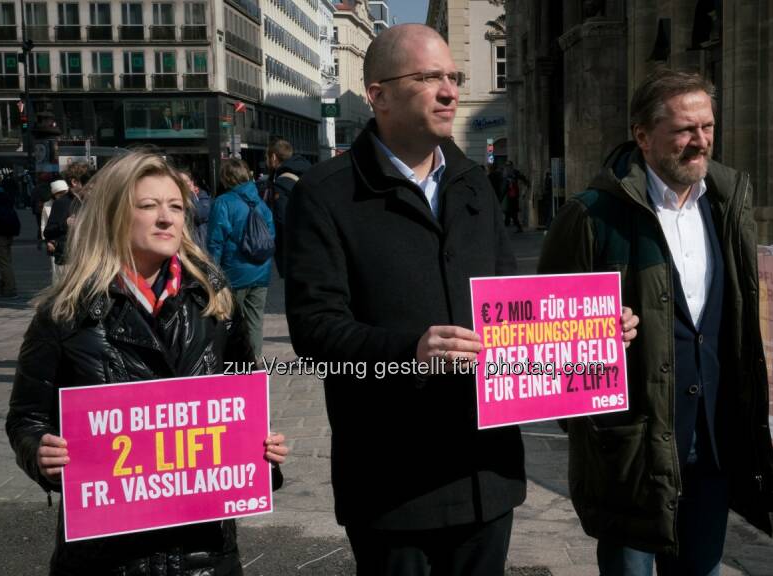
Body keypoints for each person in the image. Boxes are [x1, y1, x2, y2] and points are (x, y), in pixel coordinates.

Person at [285, 24, 639, 576]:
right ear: (377, 94)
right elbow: (314, 333)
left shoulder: (474, 182)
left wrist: (586, 333)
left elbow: (512, 310)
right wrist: (410, 350)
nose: (449, 90)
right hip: (392, 484)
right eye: (429, 77)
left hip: (485, 474)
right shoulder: (326, 193)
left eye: (453, 76)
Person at [538, 68, 773, 575]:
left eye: (708, 127)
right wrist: (591, 339)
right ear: (643, 136)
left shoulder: (727, 204)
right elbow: (544, 345)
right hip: (632, 451)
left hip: (713, 438)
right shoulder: (592, 216)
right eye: (684, 130)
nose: (700, 142)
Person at [5, 151, 288, 575]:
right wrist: (40, 453)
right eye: (148, 206)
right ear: (115, 213)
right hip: (107, 558)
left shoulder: (215, 304)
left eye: (175, 207)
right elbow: (26, 418)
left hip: (203, 555)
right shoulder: (65, 313)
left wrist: (263, 452)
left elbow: (243, 403)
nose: (166, 219)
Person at [206, 159, 273, 365]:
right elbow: (270, 236)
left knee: (228, 322)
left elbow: (216, 241)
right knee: (255, 320)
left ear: (226, 178)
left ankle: (233, 363)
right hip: (260, 272)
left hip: (233, 274)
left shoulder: (223, 202)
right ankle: (255, 361)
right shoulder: (260, 202)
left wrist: (211, 272)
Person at [265, 138, 311, 278]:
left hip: (294, 252)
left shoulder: (281, 183)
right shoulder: (306, 171)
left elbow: (282, 220)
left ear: (273, 157)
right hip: (310, 243)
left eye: (267, 157)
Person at [0, 186, 21, 297]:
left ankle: (10, 289)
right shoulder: (8, 206)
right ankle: (4, 287)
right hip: (8, 236)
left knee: (4, 264)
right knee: (5, 262)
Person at [180, 171, 212, 250]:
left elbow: (200, 215)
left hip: (198, 243)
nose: (183, 184)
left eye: (185, 181)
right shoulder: (175, 197)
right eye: (180, 182)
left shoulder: (201, 195)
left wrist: (190, 194)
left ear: (191, 182)